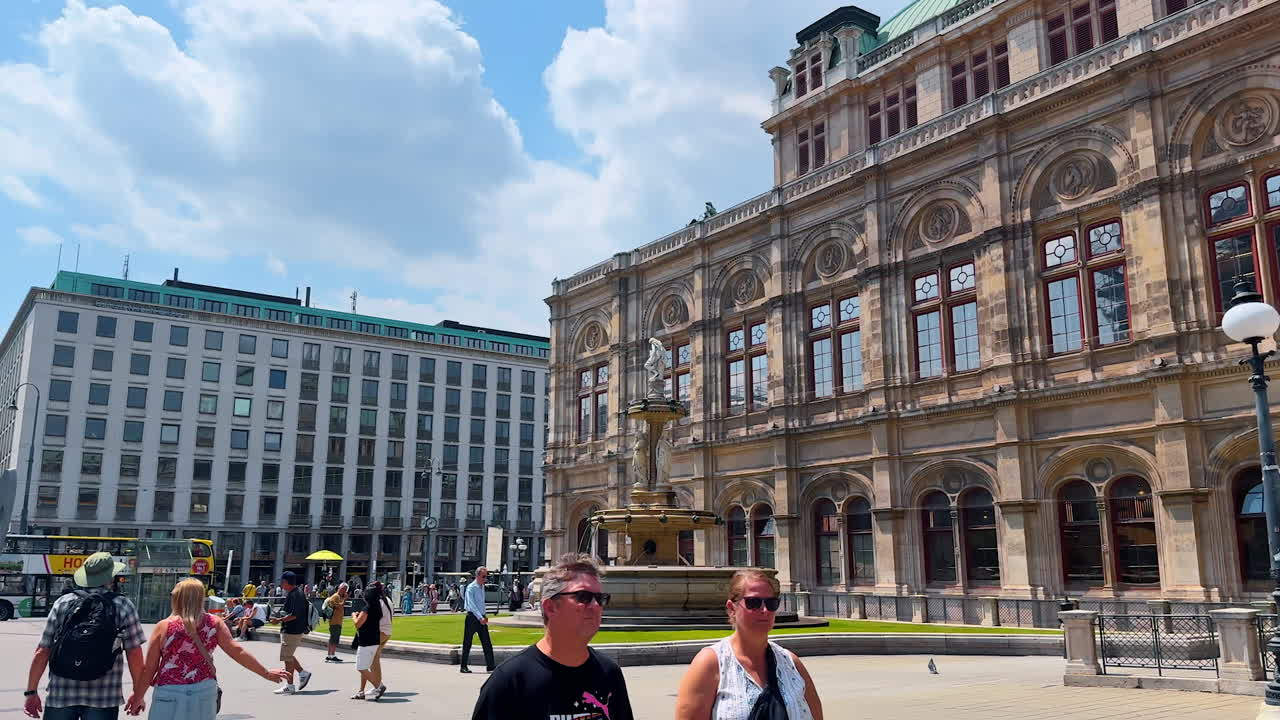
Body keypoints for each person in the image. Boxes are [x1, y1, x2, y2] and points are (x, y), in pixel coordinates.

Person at [470, 554, 632, 720]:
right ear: (550, 607)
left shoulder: (609, 674)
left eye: (600, 598)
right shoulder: (509, 682)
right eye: (583, 597)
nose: (596, 606)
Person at [125, 579, 285, 720]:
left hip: (169, 690)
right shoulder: (214, 623)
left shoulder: (163, 626)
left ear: (178, 599)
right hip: (203, 689)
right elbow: (237, 651)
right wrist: (266, 673)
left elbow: (150, 669)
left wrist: (138, 696)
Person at [673, 569, 823, 720]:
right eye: (753, 603)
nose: (764, 610)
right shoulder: (710, 664)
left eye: (771, 603)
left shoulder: (791, 663)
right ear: (732, 609)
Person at [23, 553, 147, 720]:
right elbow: (134, 653)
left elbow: (43, 650)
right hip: (104, 697)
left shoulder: (63, 603)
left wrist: (31, 692)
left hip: (61, 693)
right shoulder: (122, 605)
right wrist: (138, 693)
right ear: (110, 576)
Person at [266, 571, 313, 695]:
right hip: (293, 630)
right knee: (288, 656)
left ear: (286, 582)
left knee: (287, 657)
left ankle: (290, 685)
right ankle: (302, 674)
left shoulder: (295, 595)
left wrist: (278, 620)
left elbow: (293, 615)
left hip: (292, 630)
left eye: (282, 582)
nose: (281, 585)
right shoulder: (296, 593)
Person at [350, 583, 392, 700]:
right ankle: (362, 690)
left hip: (373, 636)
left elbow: (358, 623)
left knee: (365, 665)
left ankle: (378, 685)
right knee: (368, 663)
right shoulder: (383, 602)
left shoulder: (372, 606)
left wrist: (354, 615)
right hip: (383, 632)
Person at [460, 568, 495, 674]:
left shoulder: (482, 587)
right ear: (477, 576)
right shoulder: (471, 587)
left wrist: (484, 615)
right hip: (472, 617)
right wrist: (480, 617)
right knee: (467, 642)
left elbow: (481, 604)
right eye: (483, 576)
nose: (485, 579)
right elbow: (472, 605)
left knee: (487, 643)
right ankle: (463, 666)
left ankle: (491, 666)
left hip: (481, 617)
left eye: (486, 576)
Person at [324, 583, 349, 663]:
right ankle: (331, 655)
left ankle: (330, 655)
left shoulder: (337, 597)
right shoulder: (336, 596)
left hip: (336, 621)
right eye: (343, 589)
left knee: (333, 638)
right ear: (339, 588)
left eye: (345, 589)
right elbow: (339, 606)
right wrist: (345, 599)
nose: (344, 591)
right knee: (334, 638)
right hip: (335, 621)